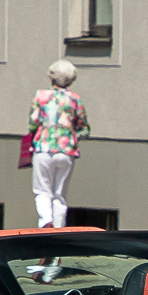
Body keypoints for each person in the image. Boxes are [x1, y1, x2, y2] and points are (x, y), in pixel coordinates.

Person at [27, 60, 88, 229]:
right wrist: (71, 137)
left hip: (43, 149)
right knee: (59, 195)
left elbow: (32, 124)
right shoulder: (75, 100)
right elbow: (84, 129)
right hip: (66, 152)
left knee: (42, 191)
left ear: (52, 77)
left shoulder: (41, 96)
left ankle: (45, 222)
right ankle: (59, 228)